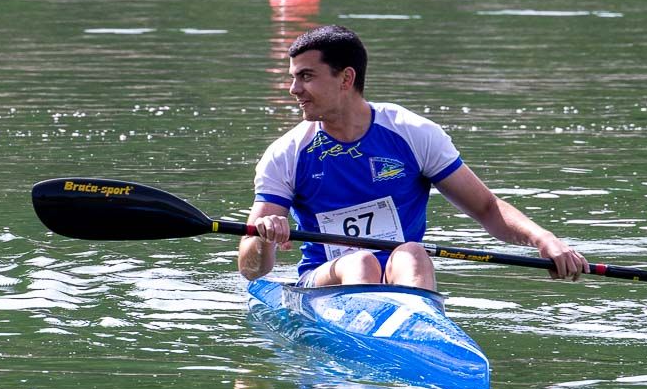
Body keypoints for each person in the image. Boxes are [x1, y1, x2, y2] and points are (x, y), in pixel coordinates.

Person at [238, 25, 587, 291]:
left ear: (346, 78)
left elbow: (487, 209)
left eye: (306, 76)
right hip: (324, 285)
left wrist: (545, 240)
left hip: (402, 277)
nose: (293, 89)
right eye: (293, 78)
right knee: (359, 262)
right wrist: (262, 239)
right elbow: (251, 269)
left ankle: (416, 335)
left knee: (412, 252)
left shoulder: (411, 133)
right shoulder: (287, 154)